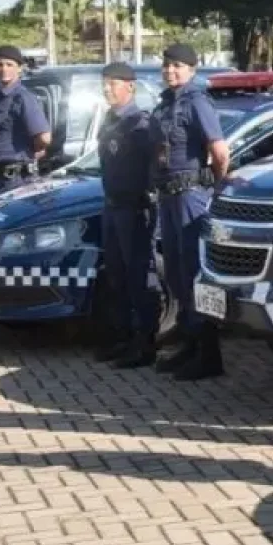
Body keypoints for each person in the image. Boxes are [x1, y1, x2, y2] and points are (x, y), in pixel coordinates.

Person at [150, 43, 228, 382]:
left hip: (190, 195)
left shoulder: (197, 102)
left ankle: (209, 354)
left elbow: (220, 151)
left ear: (192, 70)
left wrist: (217, 185)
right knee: (179, 274)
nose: (171, 71)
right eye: (167, 66)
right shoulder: (165, 105)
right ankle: (189, 343)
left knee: (196, 274)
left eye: (178, 66)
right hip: (168, 197)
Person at [94, 62, 159, 370]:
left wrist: (146, 201)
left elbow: (152, 168)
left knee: (138, 277)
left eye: (113, 84)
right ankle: (122, 338)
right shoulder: (109, 120)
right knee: (116, 276)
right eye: (105, 84)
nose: (107, 89)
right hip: (111, 206)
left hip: (133, 208)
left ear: (129, 87)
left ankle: (144, 342)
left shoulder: (140, 124)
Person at [0, 45, 50, 193]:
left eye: (9, 65)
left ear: (19, 68)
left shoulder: (23, 98)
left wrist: (32, 150)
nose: (4, 69)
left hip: (17, 179)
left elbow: (44, 138)